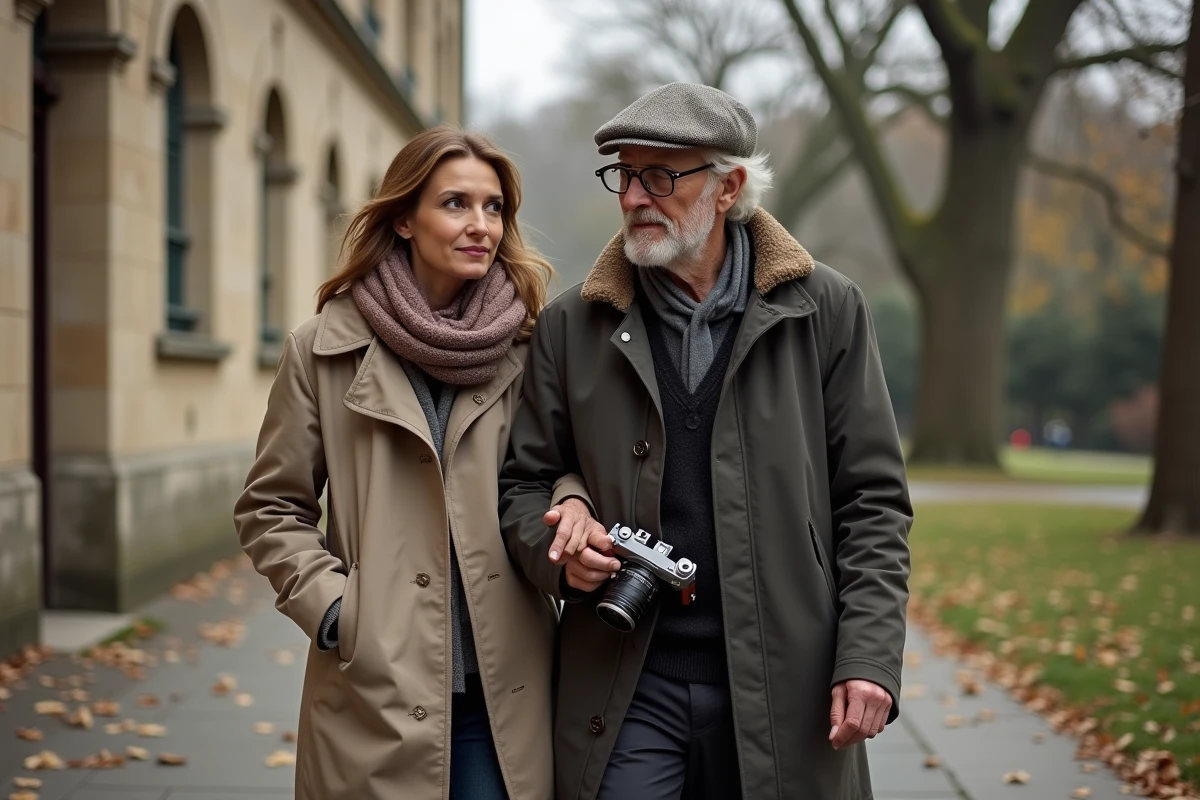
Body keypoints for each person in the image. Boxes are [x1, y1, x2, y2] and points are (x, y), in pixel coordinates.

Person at [499, 83, 913, 800]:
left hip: (787, 681)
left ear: (730, 188)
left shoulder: (828, 311)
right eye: (625, 175)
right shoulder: (572, 326)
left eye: (660, 176)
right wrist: (561, 551)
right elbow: (523, 484)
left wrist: (870, 658)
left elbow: (873, 502)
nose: (633, 197)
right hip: (624, 685)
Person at [235, 126, 582, 800]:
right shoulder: (322, 349)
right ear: (402, 219)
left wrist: (573, 501)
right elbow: (271, 507)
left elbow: (562, 465)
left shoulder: (530, 347)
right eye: (455, 203)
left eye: (494, 207)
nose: (480, 224)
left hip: (502, 689)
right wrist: (337, 610)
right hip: (377, 689)